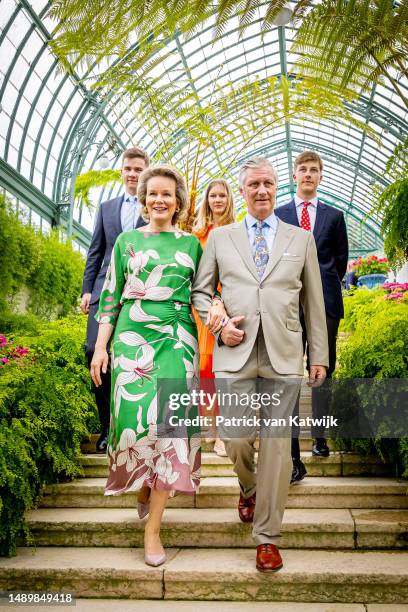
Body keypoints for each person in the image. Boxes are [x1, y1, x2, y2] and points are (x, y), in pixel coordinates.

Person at [192, 157, 328, 572]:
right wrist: (217, 322)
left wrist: (318, 354)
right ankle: (248, 488)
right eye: (254, 184)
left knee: (277, 448)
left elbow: (313, 303)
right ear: (244, 190)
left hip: (284, 354)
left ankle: (267, 537)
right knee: (233, 438)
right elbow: (199, 292)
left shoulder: (300, 239)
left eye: (268, 183)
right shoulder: (220, 238)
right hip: (235, 351)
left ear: (276, 187)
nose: (262, 191)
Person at [90, 165, 224, 568]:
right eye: (153, 194)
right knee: (133, 417)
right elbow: (110, 296)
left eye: (167, 194)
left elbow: (202, 293)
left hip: (176, 340)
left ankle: (153, 532)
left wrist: (217, 309)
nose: (159, 200)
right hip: (132, 337)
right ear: (144, 199)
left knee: (170, 429)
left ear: (178, 201)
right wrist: (101, 348)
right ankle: (144, 485)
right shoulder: (126, 241)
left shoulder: (190, 246)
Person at [275, 151, 348, 482]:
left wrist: (322, 291)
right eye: (302, 169)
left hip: (326, 304)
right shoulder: (280, 214)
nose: (308, 174)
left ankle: (320, 438)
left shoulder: (334, 217)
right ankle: (292, 457)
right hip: (288, 305)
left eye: (313, 170)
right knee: (289, 375)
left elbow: (340, 261)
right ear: (294, 176)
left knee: (322, 371)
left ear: (321, 176)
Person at [81, 147, 149, 452]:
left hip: (139, 293)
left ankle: (130, 425)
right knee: (92, 351)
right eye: (128, 169)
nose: (133, 174)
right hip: (103, 291)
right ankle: (106, 426)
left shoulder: (153, 205)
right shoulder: (107, 207)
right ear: (121, 172)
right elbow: (95, 250)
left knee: (133, 358)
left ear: (146, 171)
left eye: (138, 169)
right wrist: (86, 289)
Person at [192, 179, 235, 457]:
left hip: (228, 306)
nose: (217, 200)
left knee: (221, 369)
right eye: (212, 196)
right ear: (206, 200)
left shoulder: (236, 231)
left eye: (222, 195)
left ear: (229, 199)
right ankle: (209, 426)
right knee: (203, 369)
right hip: (200, 308)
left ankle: (221, 433)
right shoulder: (196, 234)